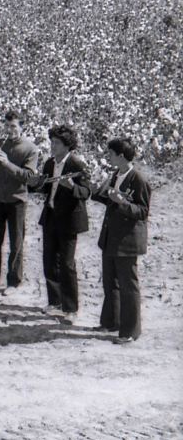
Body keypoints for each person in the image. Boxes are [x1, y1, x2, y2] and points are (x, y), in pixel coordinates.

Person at [28, 125, 92, 321]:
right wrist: (35, 186)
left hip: (69, 220)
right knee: (49, 262)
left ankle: (70, 309)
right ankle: (55, 303)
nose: (52, 146)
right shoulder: (49, 164)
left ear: (67, 145)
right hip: (50, 217)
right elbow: (45, 189)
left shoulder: (77, 165)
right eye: (52, 142)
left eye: (56, 143)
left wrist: (73, 188)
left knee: (66, 263)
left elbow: (87, 192)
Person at [91, 139, 151, 343]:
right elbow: (106, 199)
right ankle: (110, 322)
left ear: (121, 156)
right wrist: (94, 189)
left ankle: (130, 332)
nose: (107, 157)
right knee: (110, 282)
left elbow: (142, 212)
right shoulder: (116, 175)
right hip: (111, 237)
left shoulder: (138, 179)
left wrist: (122, 203)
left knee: (128, 285)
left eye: (110, 153)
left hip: (127, 241)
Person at [0, 111, 39, 294]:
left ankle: (13, 282)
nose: (9, 130)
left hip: (17, 201)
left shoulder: (31, 149)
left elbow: (28, 176)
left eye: (13, 126)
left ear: (22, 127)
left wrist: (6, 164)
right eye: (6, 125)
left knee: (16, 243)